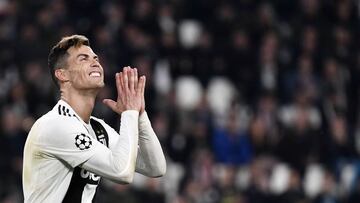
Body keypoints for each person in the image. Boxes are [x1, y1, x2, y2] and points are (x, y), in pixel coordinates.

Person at [22, 35, 166, 203]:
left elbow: (155, 167)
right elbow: (122, 172)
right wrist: (129, 113)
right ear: (62, 75)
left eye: (95, 58)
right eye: (83, 59)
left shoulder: (98, 128)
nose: (95, 62)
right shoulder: (54, 125)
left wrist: (140, 115)